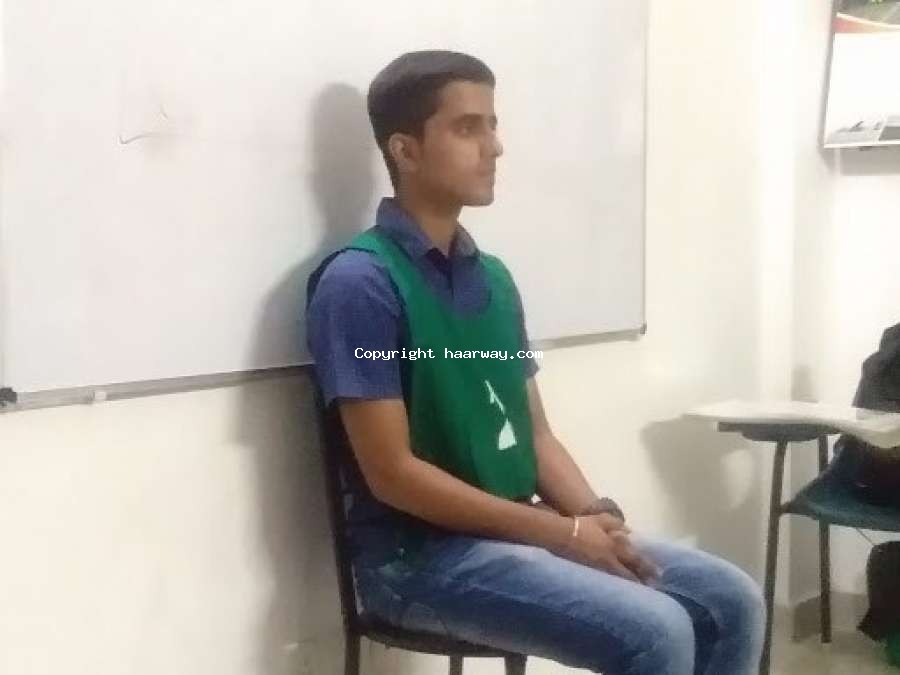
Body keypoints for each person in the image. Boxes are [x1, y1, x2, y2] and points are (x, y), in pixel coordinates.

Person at [306, 50, 765, 674]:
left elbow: (536, 436)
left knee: (732, 599)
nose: (494, 147)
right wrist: (561, 533)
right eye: (468, 128)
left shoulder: (493, 278)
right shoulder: (360, 282)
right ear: (406, 151)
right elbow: (393, 474)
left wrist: (594, 519)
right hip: (416, 561)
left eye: (493, 126)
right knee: (656, 632)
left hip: (514, 531)